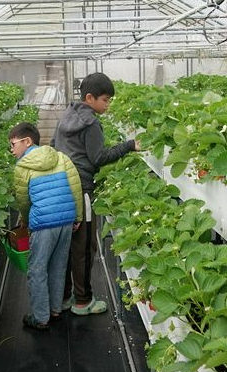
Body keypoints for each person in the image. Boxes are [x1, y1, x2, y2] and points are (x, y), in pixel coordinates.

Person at [51, 72, 141, 316]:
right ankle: (83, 301)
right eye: (105, 99)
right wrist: (128, 146)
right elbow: (99, 158)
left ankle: (62, 297)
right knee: (84, 246)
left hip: (61, 186)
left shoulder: (66, 116)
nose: (108, 104)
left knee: (65, 246)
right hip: (81, 189)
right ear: (89, 98)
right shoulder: (90, 123)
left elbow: (52, 147)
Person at [10, 122, 83, 331]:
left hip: (43, 223)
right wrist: (77, 217)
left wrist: (25, 222)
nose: (12, 150)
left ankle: (40, 317)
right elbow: (75, 188)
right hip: (66, 220)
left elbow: (24, 201)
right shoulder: (61, 157)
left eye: (13, 145)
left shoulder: (22, 168)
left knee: (37, 269)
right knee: (59, 266)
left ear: (27, 141)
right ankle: (55, 310)